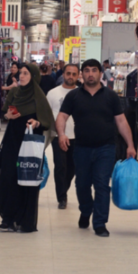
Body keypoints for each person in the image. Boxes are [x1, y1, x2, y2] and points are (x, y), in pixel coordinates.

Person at [56, 59, 136, 237]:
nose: (90, 74)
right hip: (81, 148)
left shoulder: (111, 96)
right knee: (81, 185)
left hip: (106, 148)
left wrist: (130, 145)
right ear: (82, 74)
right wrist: (61, 134)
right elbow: (62, 117)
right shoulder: (74, 96)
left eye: (94, 70)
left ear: (101, 73)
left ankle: (100, 223)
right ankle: (86, 211)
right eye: (86, 70)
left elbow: (121, 121)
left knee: (101, 185)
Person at [0, 64, 55, 233]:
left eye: (25, 73)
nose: (21, 76)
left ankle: (24, 220)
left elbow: (47, 121)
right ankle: (7, 218)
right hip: (12, 141)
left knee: (27, 179)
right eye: (20, 73)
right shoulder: (14, 93)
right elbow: (4, 112)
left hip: (29, 143)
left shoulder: (39, 96)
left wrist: (37, 123)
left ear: (34, 76)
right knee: (8, 178)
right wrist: (8, 115)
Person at [46, 64, 79, 210]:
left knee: (72, 168)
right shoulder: (52, 93)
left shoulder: (82, 93)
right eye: (68, 73)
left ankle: (64, 189)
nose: (70, 76)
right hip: (58, 136)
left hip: (78, 137)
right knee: (60, 166)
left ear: (78, 76)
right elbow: (47, 115)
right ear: (63, 74)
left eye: (74, 74)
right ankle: (62, 197)